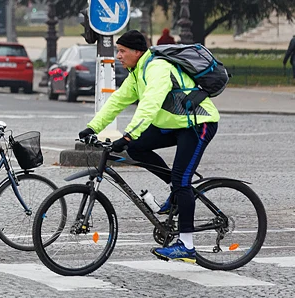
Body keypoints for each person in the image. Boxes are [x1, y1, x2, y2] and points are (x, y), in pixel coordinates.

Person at [77, 30, 219, 262]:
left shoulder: (157, 68)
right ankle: (176, 190)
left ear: (137, 52)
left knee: (182, 181)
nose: (118, 56)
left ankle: (187, 245)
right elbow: (116, 101)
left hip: (197, 124)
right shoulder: (136, 74)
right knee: (137, 149)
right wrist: (92, 127)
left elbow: (150, 104)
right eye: (117, 51)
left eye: (122, 51)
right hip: (174, 124)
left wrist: (128, 135)